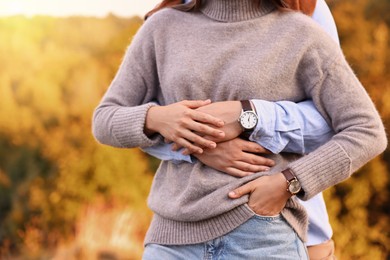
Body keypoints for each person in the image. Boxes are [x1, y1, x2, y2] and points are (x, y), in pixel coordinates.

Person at [92, 0, 387, 258]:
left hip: (263, 237)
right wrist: (156, 118)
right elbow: (105, 119)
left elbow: (366, 130)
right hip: (172, 241)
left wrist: (290, 182)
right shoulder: (162, 27)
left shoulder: (302, 33)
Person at [143, 0, 339, 259]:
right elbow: (137, 121)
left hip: (289, 233)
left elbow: (333, 118)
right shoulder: (167, 17)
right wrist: (199, 147)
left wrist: (249, 116)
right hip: (183, 237)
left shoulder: (304, 8)